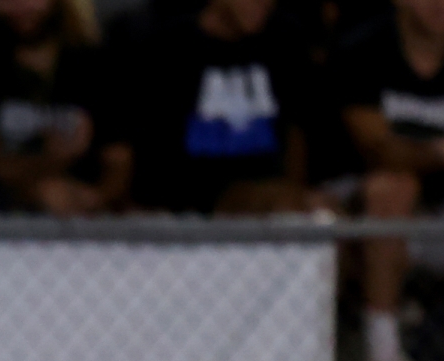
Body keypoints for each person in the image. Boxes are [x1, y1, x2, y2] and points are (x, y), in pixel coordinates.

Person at [331, 0, 444, 361]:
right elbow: (377, 149)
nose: (442, 5)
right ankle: (383, 355)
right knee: (395, 187)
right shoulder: (363, 50)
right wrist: (441, 154)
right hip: (364, 219)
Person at [102, 0, 319, 213]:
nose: (266, 3)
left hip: (270, 194)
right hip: (188, 198)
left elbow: (297, 128)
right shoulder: (167, 46)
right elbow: (142, 141)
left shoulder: (284, 40)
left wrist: (296, 193)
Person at [0, 0, 112, 213]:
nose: (20, 6)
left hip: (80, 211)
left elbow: (118, 161)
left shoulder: (89, 63)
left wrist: (97, 198)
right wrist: (39, 172)